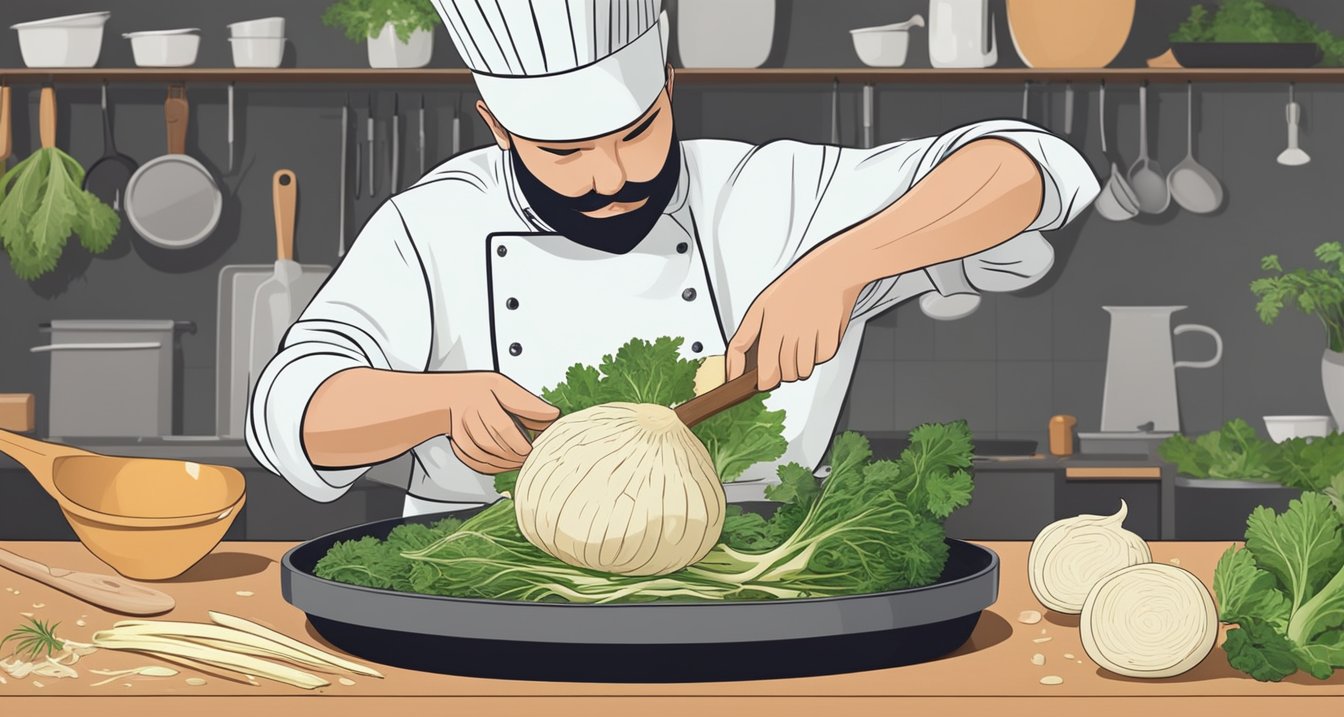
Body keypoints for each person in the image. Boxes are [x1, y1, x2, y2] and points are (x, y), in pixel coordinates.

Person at [246, 0, 1100, 517]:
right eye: (564, 152)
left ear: (669, 92)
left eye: (635, 132)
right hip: (483, 591)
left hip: (754, 597)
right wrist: (435, 403)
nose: (611, 176)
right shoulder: (430, 227)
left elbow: (1030, 168)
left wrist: (840, 265)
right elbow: (290, 408)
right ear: (497, 126)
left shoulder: (764, 195)